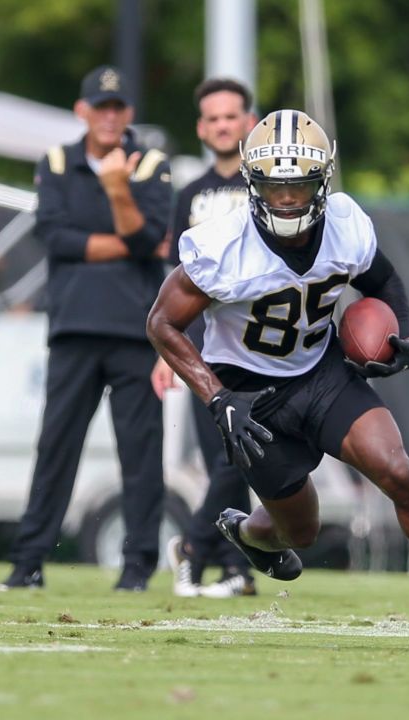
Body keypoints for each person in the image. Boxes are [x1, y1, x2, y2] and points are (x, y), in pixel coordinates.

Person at [146, 109, 409, 653]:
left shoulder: (346, 225)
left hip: (321, 372)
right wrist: (216, 397)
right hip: (249, 395)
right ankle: (246, 532)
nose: (287, 200)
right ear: (251, 182)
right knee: (301, 533)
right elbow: (162, 323)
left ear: (323, 180)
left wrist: (400, 336)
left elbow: (383, 281)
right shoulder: (222, 245)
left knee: (397, 471)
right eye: (274, 185)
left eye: (299, 186)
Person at [0, 65, 173, 593]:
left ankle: (138, 567)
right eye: (101, 107)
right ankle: (29, 562)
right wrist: (129, 238)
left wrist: (119, 191)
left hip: (134, 332)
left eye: (117, 108)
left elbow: (152, 239)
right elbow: (57, 238)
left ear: (129, 114)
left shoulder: (152, 165)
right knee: (56, 448)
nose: (109, 116)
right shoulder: (56, 161)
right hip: (74, 328)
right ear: (83, 111)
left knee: (140, 454)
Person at [151, 78, 260, 598]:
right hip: (200, 346)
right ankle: (216, 560)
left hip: (259, 344)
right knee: (228, 455)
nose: (221, 125)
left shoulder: (270, 184)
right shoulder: (189, 196)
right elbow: (174, 280)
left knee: (246, 454)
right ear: (201, 127)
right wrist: (165, 351)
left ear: (247, 122)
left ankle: (205, 553)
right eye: (212, 118)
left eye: (230, 116)